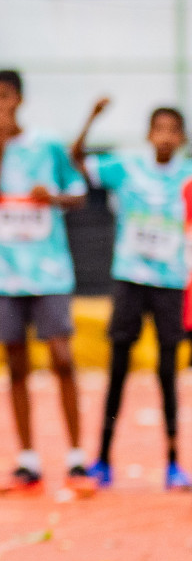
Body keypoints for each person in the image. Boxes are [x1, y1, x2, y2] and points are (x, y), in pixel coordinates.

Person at [0, 70, 94, 496]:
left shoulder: (48, 145)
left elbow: (80, 193)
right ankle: (27, 459)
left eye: (4, 97)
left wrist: (51, 198)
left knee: (61, 357)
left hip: (49, 268)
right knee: (16, 363)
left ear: (19, 99)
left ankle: (76, 457)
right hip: (3, 271)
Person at [71, 100, 191, 490]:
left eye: (173, 129)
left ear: (182, 138)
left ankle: (173, 463)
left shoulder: (189, 177)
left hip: (171, 282)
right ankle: (103, 459)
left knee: (167, 371)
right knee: (118, 368)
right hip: (130, 279)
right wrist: (90, 119)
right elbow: (77, 161)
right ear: (149, 134)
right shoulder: (128, 169)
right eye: (160, 128)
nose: (166, 136)